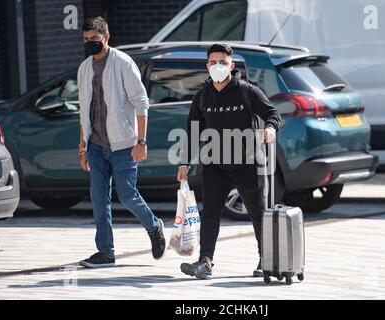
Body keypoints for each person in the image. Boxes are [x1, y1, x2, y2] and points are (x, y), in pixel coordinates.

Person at [177, 43, 281, 279]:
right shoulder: (202, 96)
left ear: (231, 65)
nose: (217, 66)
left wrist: (271, 128)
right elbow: (193, 131)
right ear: (207, 65)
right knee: (210, 212)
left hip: (248, 162)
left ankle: (267, 259)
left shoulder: (247, 91)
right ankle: (205, 262)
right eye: (213, 62)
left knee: (257, 212)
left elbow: (273, 114)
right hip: (215, 164)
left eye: (222, 62)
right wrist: (184, 163)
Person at [77, 16, 165, 268]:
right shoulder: (84, 68)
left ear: (106, 36)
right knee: (98, 197)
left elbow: (141, 101)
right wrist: (82, 145)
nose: (90, 43)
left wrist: (141, 141)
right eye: (86, 39)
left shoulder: (122, 63)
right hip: (95, 145)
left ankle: (153, 225)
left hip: (124, 144)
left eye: (95, 38)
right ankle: (106, 252)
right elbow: (84, 109)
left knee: (127, 194)